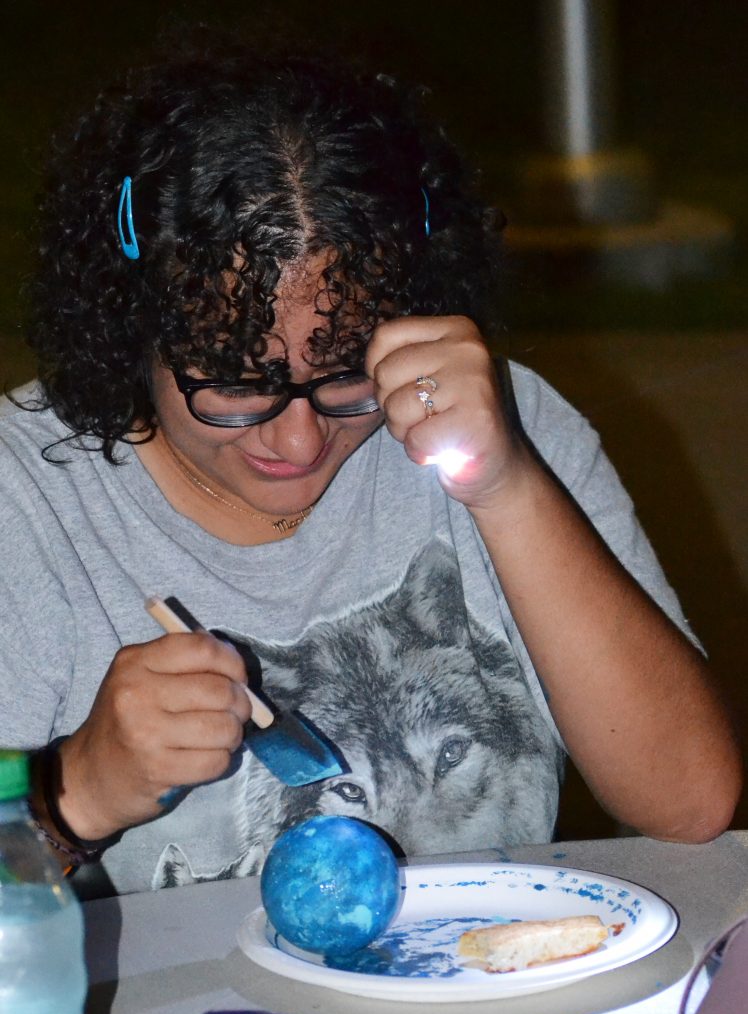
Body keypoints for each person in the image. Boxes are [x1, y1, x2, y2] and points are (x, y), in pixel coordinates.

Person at [0, 36, 741, 896]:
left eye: (347, 371)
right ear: (132, 331)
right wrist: (74, 794)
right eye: (240, 384)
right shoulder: (26, 497)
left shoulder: (498, 420)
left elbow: (690, 804)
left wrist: (505, 487)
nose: (300, 442)